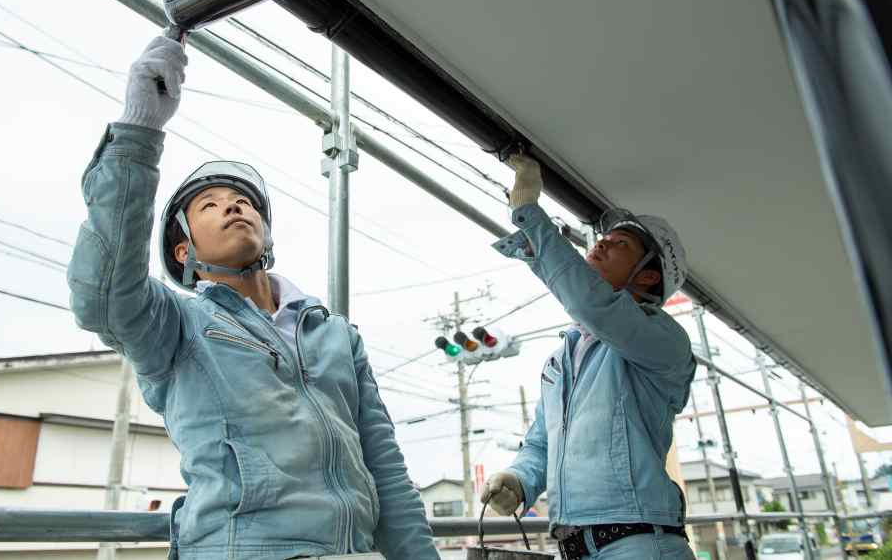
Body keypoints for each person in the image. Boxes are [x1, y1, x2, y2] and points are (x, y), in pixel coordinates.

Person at [67, 35, 438, 560]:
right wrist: (139, 131)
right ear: (183, 249)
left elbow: (386, 469)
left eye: (244, 201)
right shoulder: (175, 323)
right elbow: (101, 295)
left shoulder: (334, 333)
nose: (233, 206)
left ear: (266, 230)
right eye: (209, 204)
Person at [480, 155, 696, 559]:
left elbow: (593, 305)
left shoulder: (663, 338)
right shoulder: (561, 360)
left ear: (647, 276)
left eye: (621, 244)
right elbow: (541, 445)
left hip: (641, 544)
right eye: (604, 237)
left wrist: (529, 212)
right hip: (575, 546)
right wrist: (519, 480)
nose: (601, 243)